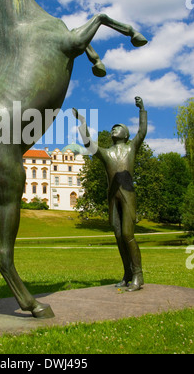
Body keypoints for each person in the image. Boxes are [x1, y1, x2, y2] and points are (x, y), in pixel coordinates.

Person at [73, 97, 147, 291]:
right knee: (117, 235)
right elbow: (89, 144)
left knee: (127, 234)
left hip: (128, 196)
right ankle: (127, 274)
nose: (114, 129)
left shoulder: (131, 147)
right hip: (112, 198)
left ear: (125, 134)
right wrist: (82, 123)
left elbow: (142, 131)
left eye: (118, 127)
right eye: (113, 128)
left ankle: (138, 276)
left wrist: (142, 109)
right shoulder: (106, 153)